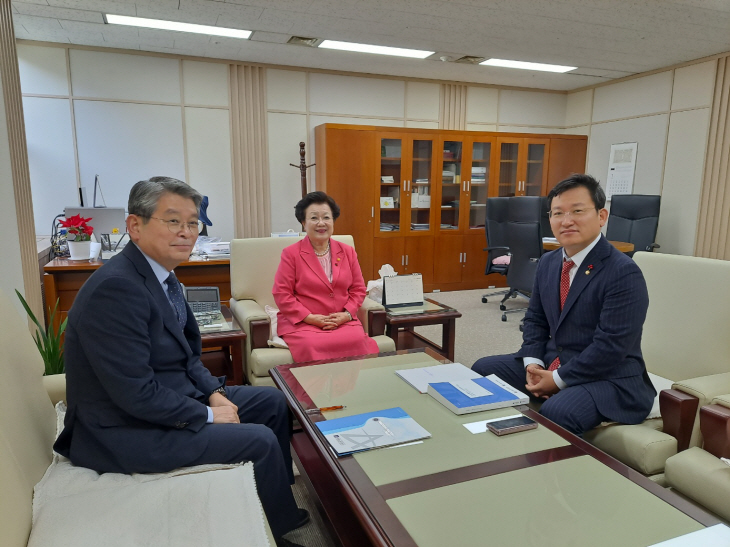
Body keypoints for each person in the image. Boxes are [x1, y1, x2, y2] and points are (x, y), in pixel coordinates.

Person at [54, 177, 308, 546]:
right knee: (259, 440)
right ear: (135, 225)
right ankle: (269, 534)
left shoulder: (163, 277)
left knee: (270, 400)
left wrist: (214, 394)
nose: (187, 232)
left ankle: (275, 505)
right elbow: (135, 394)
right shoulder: (116, 289)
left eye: (193, 223)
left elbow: (187, 357)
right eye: (173, 221)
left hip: (163, 400)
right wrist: (205, 414)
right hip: (123, 430)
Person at [472, 174, 656, 436]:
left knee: (559, 412)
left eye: (578, 211)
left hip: (609, 378)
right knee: (483, 370)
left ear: (601, 217)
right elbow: (535, 319)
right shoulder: (549, 262)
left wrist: (558, 379)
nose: (566, 221)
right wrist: (532, 364)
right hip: (553, 360)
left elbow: (611, 347)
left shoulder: (623, 272)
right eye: (558, 213)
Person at [273, 191, 379, 363]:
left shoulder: (347, 251)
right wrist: (310, 318)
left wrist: (346, 314)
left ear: (333, 221)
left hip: (341, 320)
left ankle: (352, 390)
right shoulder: (291, 254)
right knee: (311, 345)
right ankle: (313, 390)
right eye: (314, 218)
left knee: (357, 340)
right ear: (303, 222)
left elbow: (358, 289)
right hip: (303, 322)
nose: (321, 223)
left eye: (326, 218)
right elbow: (281, 294)